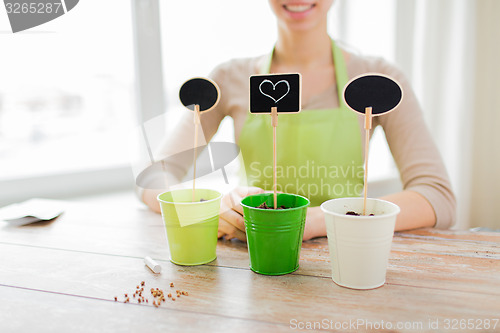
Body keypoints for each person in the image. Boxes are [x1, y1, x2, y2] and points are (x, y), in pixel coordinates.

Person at [141, 0, 456, 241]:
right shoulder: (229, 79)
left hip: (349, 253)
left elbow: (436, 197)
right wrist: (211, 209)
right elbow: (155, 176)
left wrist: (313, 221)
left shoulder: (378, 80)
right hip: (252, 257)